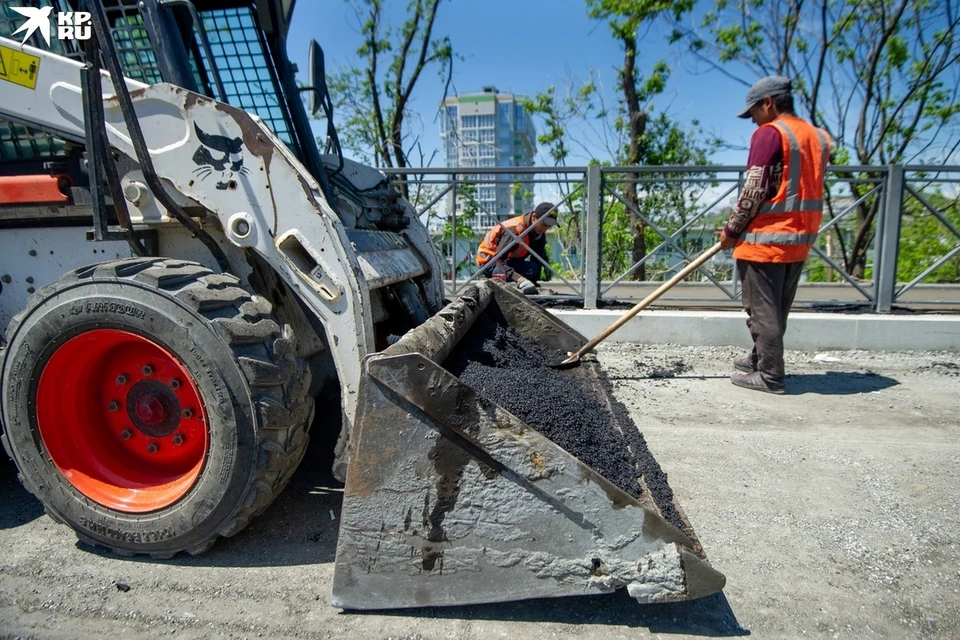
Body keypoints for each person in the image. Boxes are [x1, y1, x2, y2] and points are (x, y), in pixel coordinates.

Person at [719, 76, 831, 394]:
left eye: (753, 111)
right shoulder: (818, 137)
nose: (752, 119)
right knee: (777, 309)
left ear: (768, 103)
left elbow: (754, 190)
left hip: (767, 240)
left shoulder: (770, 134)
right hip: (800, 238)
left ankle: (770, 376)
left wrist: (731, 231)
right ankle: (759, 358)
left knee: (762, 311)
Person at [476, 202, 557, 295]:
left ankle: (524, 289)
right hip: (489, 263)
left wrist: (535, 281)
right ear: (534, 217)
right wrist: (520, 280)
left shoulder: (538, 234)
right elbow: (499, 260)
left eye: (549, 226)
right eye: (544, 224)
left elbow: (537, 258)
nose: (545, 229)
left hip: (508, 261)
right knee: (507, 273)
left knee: (532, 269)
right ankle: (501, 291)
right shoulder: (514, 230)